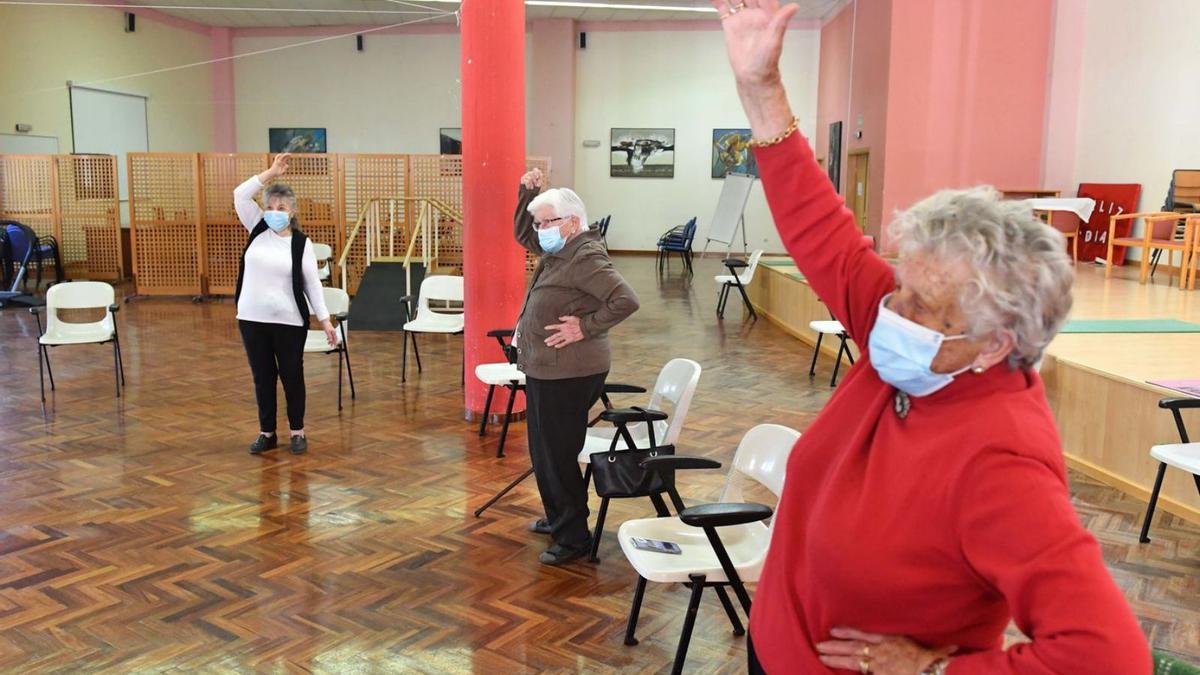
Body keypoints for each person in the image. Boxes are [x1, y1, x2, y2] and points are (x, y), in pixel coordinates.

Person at [710, 2, 1151, 673]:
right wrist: (760, 88)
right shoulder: (909, 335)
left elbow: (1108, 656)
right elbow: (821, 229)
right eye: (903, 285)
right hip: (775, 649)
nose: (891, 309)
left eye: (924, 304)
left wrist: (937, 669)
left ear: (995, 343)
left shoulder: (1000, 464)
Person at [512, 168, 640, 566]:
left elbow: (625, 300)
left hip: (568, 371)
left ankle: (574, 538)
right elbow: (523, 236)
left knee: (557, 454)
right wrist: (525, 193)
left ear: (571, 222)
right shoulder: (559, 248)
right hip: (547, 367)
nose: (540, 230)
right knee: (544, 450)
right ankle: (559, 519)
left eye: (546, 221)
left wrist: (584, 327)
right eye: (539, 222)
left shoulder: (583, 256)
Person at [234, 153, 336, 457]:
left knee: (292, 376)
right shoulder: (256, 228)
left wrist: (325, 319)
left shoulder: (301, 243)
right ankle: (267, 432)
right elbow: (239, 195)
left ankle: (297, 431)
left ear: (291, 212)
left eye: (281, 208)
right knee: (262, 377)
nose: (274, 212)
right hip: (252, 319)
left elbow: (311, 284)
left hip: (289, 322)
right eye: (270, 207)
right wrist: (271, 172)